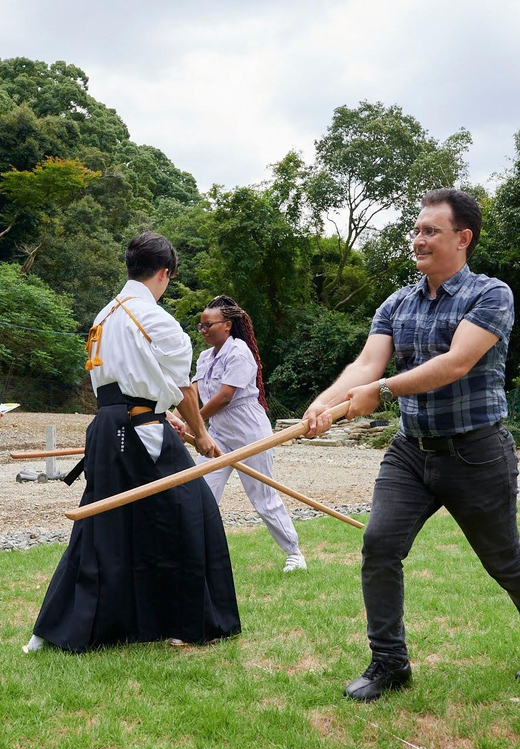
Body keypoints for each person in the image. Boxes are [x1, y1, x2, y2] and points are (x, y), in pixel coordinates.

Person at [305, 188, 519, 701]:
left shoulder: (491, 294)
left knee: (506, 560)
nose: (417, 239)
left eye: (430, 230)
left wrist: (377, 392)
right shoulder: (397, 303)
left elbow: (455, 363)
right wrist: (323, 402)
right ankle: (389, 663)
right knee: (379, 545)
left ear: (463, 238)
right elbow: (365, 366)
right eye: (416, 229)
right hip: (410, 451)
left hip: (476, 451)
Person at [24, 232, 241, 653]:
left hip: (109, 429)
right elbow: (186, 389)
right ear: (164, 273)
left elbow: (131, 386)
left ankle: (50, 631)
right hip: (140, 433)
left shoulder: (103, 316)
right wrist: (201, 436)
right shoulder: (154, 318)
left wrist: (169, 419)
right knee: (192, 512)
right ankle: (185, 623)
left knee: (102, 523)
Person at [187, 295, 306, 573]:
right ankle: (197, 557)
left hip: (249, 432)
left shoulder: (239, 352)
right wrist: (177, 418)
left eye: (208, 325)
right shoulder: (205, 357)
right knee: (199, 491)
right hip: (218, 434)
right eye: (200, 326)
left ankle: (294, 553)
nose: (203, 331)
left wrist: (194, 424)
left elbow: (225, 396)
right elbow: (192, 394)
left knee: (262, 496)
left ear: (227, 325)